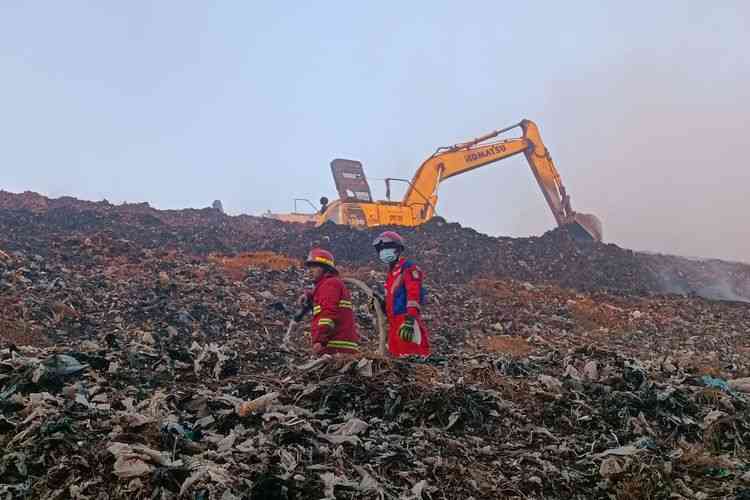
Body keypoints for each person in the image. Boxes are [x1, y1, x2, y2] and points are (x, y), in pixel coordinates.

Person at [371, 231, 430, 357]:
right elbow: (393, 300)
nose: (384, 252)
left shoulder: (408, 268)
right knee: (397, 360)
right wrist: (381, 304)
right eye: (381, 249)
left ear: (398, 250)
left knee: (411, 357)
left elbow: (413, 294)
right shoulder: (392, 274)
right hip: (394, 323)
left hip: (406, 320)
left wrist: (410, 319)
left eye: (387, 248)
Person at [300, 248, 360, 356]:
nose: (310, 270)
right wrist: (308, 295)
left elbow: (327, 314)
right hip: (338, 346)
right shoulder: (328, 284)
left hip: (336, 348)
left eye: (315, 266)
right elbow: (322, 297)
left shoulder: (330, 284)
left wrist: (319, 340)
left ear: (326, 268)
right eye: (309, 267)